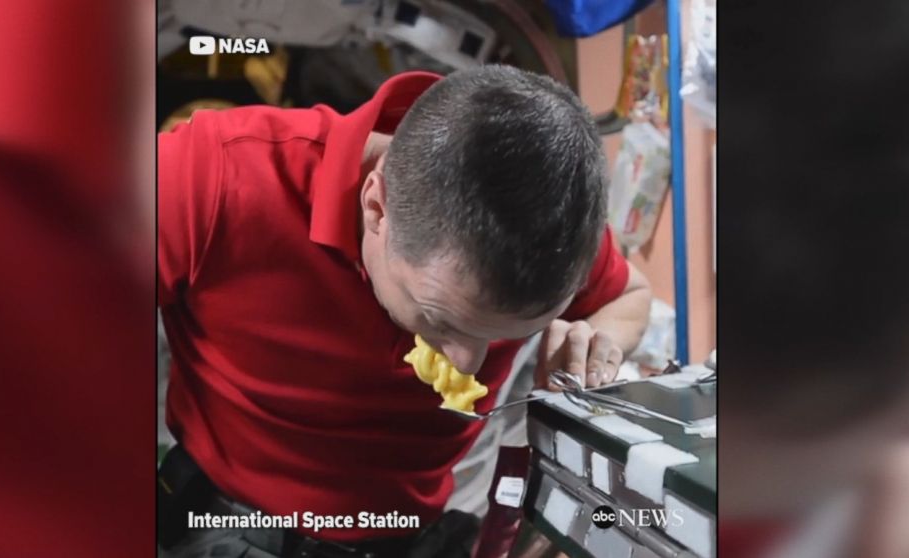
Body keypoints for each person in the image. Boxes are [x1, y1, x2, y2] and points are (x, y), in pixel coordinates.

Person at [157, 64, 652, 557]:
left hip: (410, 538)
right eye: (440, 320)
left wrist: (596, 346)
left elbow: (628, 297)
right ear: (376, 207)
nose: (469, 368)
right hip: (225, 522)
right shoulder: (214, 177)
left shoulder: (542, 231)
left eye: (504, 335)